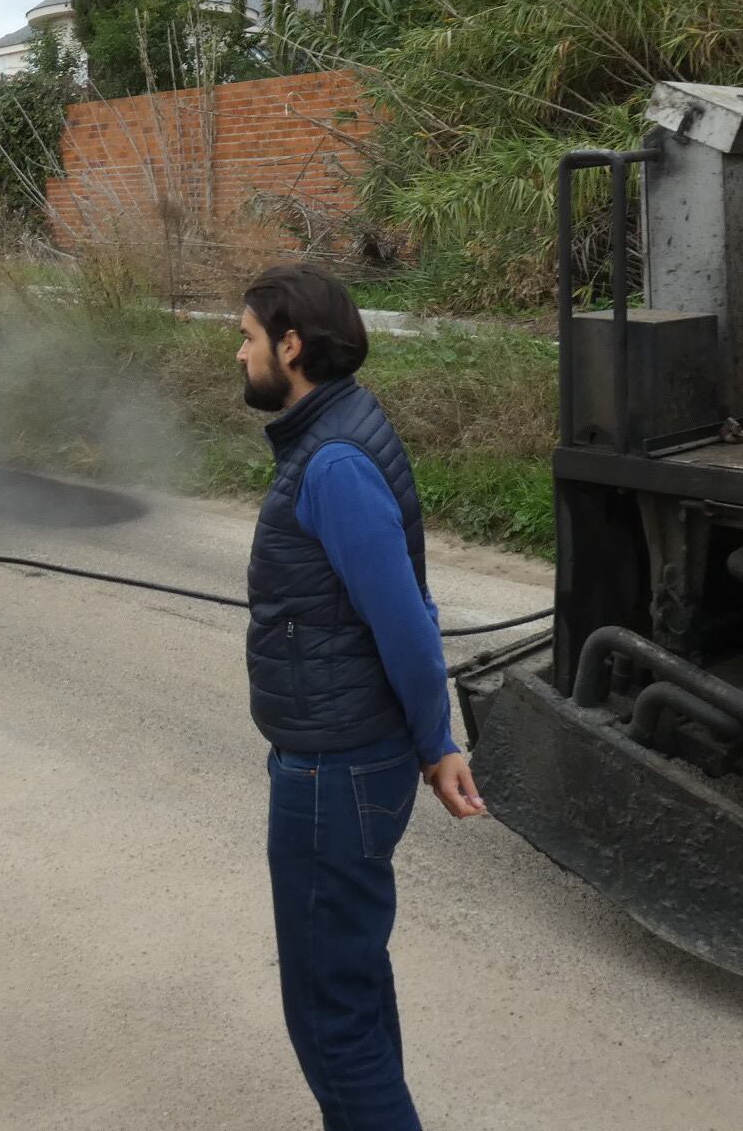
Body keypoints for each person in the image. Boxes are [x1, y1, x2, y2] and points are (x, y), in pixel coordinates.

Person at [236, 262, 486, 1131]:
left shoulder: (334, 461)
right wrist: (430, 740)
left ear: (292, 346)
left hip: (333, 773)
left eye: (248, 337)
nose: (240, 353)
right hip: (346, 760)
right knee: (354, 988)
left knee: (330, 1020)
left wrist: (439, 741)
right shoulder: (336, 428)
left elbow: (407, 622)